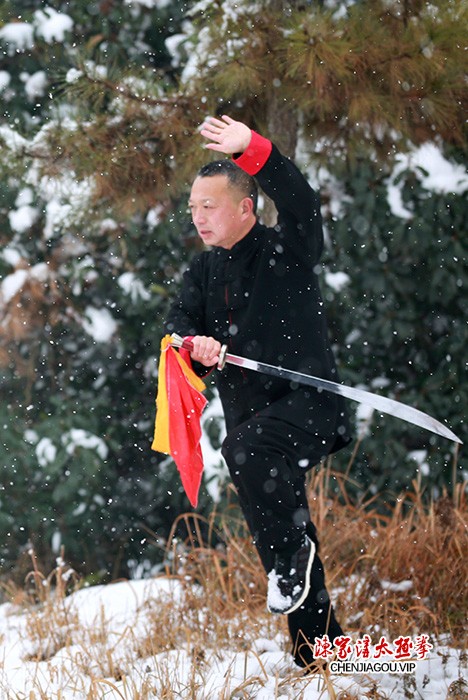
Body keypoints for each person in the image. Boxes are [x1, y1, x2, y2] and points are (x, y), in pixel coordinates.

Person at [165, 115, 352, 669]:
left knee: (248, 457)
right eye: (194, 207)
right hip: (253, 427)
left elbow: (302, 203)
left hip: (309, 408)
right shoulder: (201, 272)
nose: (198, 217)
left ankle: (294, 571)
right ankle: (320, 650)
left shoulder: (287, 249)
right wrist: (192, 345)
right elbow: (175, 331)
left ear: (246, 207)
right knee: (288, 529)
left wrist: (256, 151)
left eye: (210, 206)